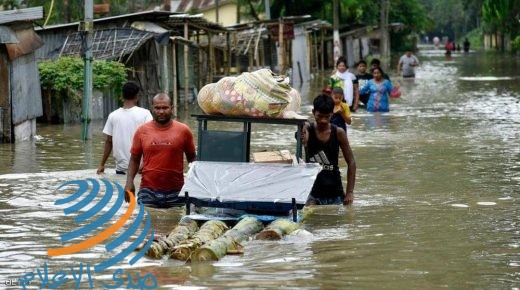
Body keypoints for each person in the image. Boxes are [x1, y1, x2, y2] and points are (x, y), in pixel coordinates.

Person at [124, 93, 197, 208]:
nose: (161, 112)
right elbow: (134, 159)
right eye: (157, 108)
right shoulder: (142, 131)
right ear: (152, 109)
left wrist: (196, 184)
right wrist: (129, 182)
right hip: (148, 191)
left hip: (177, 191)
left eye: (165, 108)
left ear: (172, 108)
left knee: (174, 224)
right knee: (146, 223)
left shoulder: (183, 130)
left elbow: (192, 159)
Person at [303, 94, 356, 205]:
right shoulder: (307, 129)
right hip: (312, 193)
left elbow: (351, 162)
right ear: (313, 112)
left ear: (332, 113)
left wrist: (350, 192)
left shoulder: (338, 133)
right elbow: (304, 128)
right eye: (320, 116)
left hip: (335, 193)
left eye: (327, 117)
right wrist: (304, 133)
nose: (323, 120)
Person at [97, 81, 153, 175]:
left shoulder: (113, 116)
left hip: (121, 169)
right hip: (140, 169)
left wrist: (102, 164)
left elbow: (109, 141)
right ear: (137, 96)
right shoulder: (145, 114)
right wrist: (145, 163)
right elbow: (151, 140)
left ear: (122, 96)